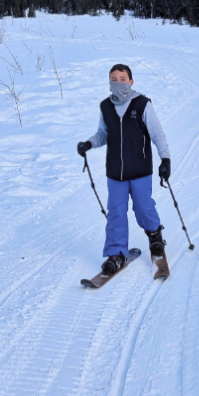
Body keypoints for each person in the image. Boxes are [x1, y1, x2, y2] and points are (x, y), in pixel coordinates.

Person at [77, 64, 171, 275]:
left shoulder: (142, 104)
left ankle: (155, 236)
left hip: (140, 170)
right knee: (116, 213)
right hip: (115, 173)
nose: (118, 82)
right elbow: (103, 134)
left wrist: (166, 159)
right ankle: (116, 253)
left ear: (131, 81)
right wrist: (89, 144)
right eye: (114, 78)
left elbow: (158, 134)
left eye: (122, 78)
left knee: (143, 207)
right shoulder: (105, 107)